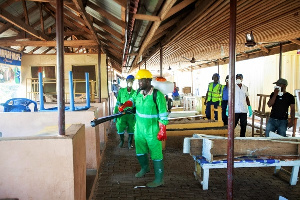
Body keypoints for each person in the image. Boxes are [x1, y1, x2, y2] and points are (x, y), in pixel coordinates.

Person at [118, 69, 168, 188]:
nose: (139, 83)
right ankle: (145, 168)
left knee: (156, 153)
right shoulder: (138, 93)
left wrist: (162, 129)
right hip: (139, 129)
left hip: (152, 129)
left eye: (142, 80)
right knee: (140, 151)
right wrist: (125, 105)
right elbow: (132, 101)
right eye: (139, 80)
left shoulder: (157, 95)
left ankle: (159, 179)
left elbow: (163, 114)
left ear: (149, 81)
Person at [113, 75, 136, 149]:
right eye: (129, 80)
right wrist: (115, 115)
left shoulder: (135, 92)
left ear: (133, 82)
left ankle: (130, 143)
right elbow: (118, 103)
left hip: (131, 114)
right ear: (126, 81)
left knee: (131, 128)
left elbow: (137, 104)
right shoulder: (121, 91)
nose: (130, 82)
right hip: (122, 113)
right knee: (120, 127)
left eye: (132, 80)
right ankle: (122, 141)